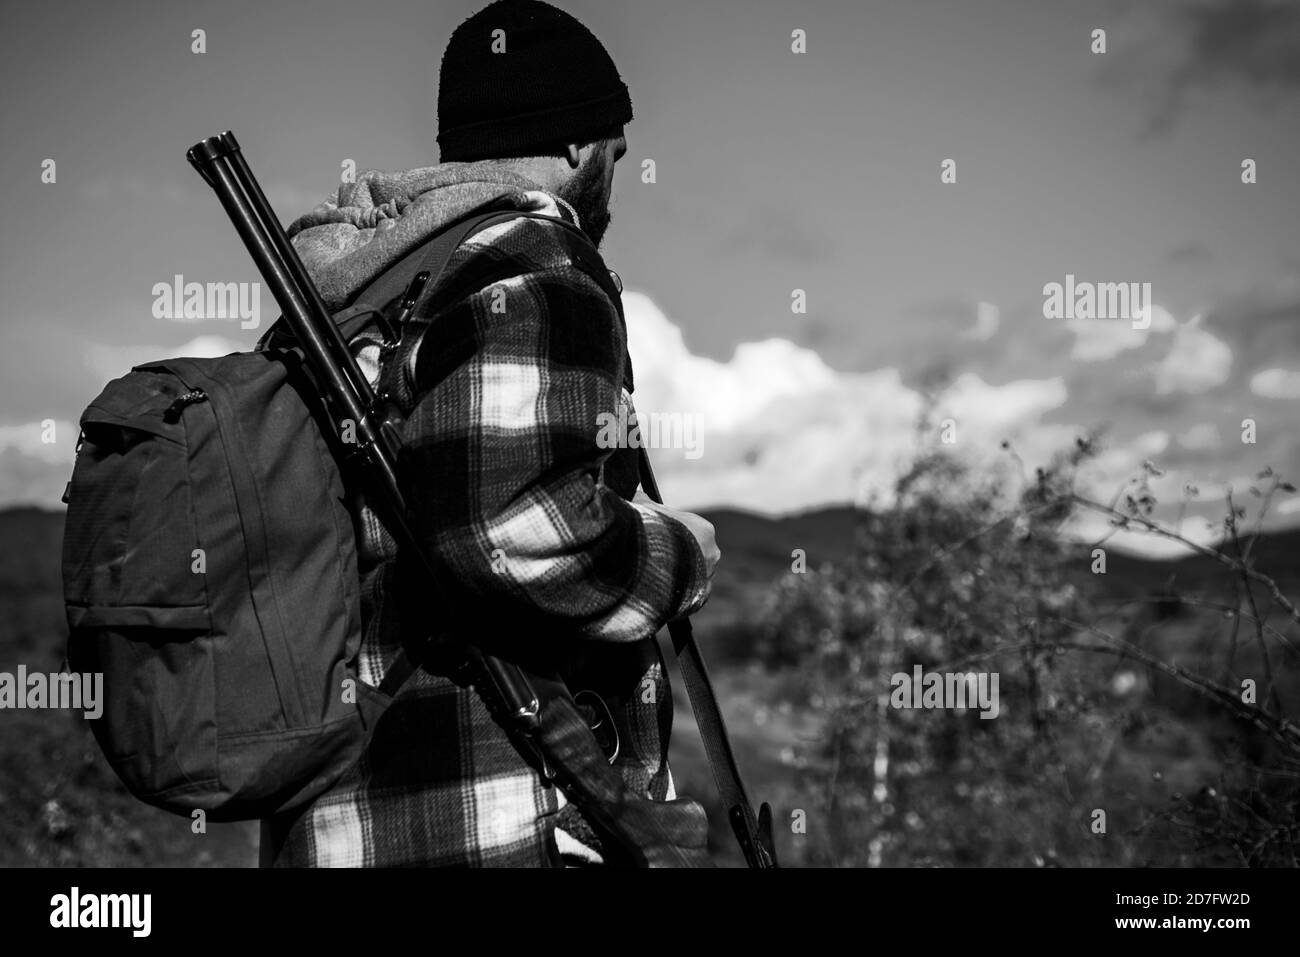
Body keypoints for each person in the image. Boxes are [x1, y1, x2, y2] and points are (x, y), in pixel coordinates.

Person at [262, 0, 720, 867]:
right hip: (492, 825)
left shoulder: (364, 289)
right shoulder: (537, 259)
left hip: (333, 823)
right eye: (616, 155)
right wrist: (681, 555)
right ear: (584, 146)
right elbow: (504, 529)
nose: (613, 179)